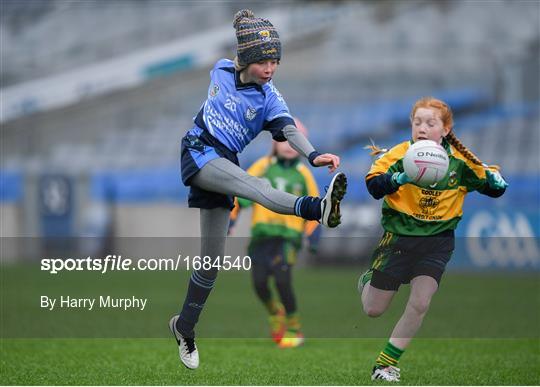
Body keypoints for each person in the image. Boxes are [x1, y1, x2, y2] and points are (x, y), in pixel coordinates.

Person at [169, 9, 347, 370]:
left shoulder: (270, 99)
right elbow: (234, 58)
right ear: (247, 58)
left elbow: (289, 130)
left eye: (275, 61)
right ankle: (318, 209)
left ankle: (184, 326)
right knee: (255, 184)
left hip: (224, 161)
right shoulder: (220, 69)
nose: (270, 68)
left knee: (211, 265)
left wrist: (312, 155)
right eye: (264, 60)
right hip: (198, 150)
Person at [360, 97, 507, 382]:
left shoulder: (461, 162)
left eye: (430, 123)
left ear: (446, 128)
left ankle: (386, 364)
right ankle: (367, 280)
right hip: (398, 239)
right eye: (417, 123)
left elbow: (491, 187)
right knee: (373, 310)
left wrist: (496, 182)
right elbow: (373, 185)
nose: (423, 128)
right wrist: (400, 177)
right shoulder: (400, 154)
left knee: (421, 302)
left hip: (438, 242)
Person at [229, 117, 320, 348]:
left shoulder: (303, 173)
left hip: (288, 238)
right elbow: (241, 192)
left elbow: (315, 206)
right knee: (259, 283)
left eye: (296, 141)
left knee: (282, 279)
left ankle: (294, 328)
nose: (289, 145)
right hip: (261, 236)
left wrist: (313, 233)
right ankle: (274, 311)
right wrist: (230, 219)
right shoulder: (263, 166)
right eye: (284, 140)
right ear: (275, 142)